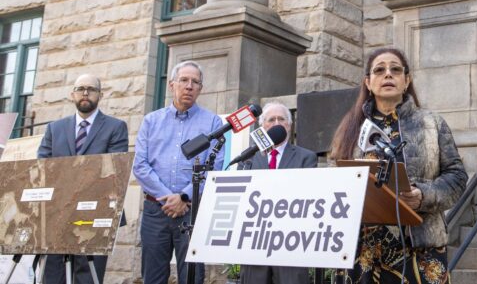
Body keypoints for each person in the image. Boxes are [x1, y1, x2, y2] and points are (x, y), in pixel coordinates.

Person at [331, 47, 467, 284]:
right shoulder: (350, 128)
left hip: (420, 249)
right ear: (368, 82)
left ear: (407, 81)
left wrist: (424, 195)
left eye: (395, 69)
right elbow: (336, 182)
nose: (388, 75)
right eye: (379, 70)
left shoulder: (432, 123)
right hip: (362, 250)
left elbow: (457, 177)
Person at [133, 61, 223, 284]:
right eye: (184, 80)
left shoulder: (212, 122)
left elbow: (214, 167)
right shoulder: (151, 121)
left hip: (191, 211)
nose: (189, 86)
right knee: (153, 277)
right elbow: (140, 166)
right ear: (172, 85)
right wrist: (168, 198)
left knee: (192, 277)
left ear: (200, 89)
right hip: (156, 210)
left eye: (195, 82)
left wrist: (184, 197)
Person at [38, 74, 129, 284]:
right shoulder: (54, 128)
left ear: (100, 95)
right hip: (56, 216)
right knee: (52, 277)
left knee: (88, 278)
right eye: (80, 88)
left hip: (95, 215)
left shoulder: (116, 127)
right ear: (72, 95)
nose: (85, 93)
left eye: (91, 89)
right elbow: (42, 168)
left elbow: (112, 170)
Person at [239, 102, 318, 284]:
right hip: (254, 243)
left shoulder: (306, 157)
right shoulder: (248, 159)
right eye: (271, 119)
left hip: (291, 244)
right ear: (262, 126)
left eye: (281, 119)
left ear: (289, 126)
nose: (276, 123)